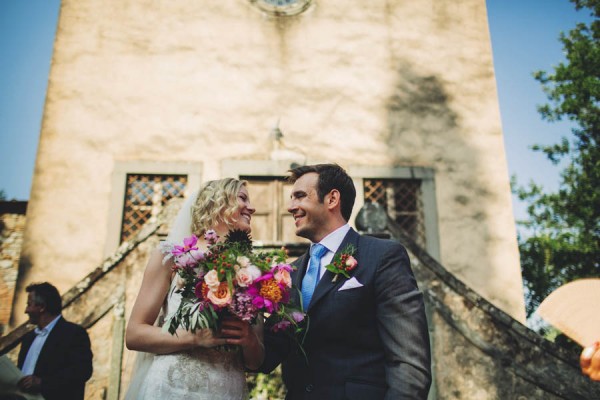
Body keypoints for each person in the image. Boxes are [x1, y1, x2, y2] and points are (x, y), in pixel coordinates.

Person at [259, 164, 432, 399]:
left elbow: (409, 363)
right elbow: (267, 354)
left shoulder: (382, 257)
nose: (291, 207)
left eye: (300, 196)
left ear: (332, 199)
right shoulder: (290, 272)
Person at [124, 178, 264, 400]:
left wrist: (249, 340)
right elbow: (134, 334)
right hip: (173, 389)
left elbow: (256, 362)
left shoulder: (253, 271)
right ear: (217, 203)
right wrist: (193, 337)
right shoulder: (170, 257)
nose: (252, 207)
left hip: (227, 391)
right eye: (242, 198)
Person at [16, 282, 93, 400]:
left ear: (42, 307)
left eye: (29, 304)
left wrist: (42, 383)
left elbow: (82, 371)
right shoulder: (28, 338)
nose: (26, 310)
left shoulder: (74, 334)